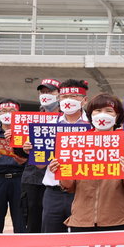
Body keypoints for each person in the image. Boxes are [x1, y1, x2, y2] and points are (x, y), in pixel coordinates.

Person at [49, 94, 124, 232]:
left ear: (117, 116)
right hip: (82, 220)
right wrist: (60, 172)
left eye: (109, 111)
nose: (102, 115)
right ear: (91, 115)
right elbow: (69, 186)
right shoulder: (76, 143)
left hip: (118, 219)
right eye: (98, 111)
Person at [34, 79, 90, 232]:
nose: (69, 100)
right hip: (54, 192)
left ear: (84, 100)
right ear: (59, 99)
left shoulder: (93, 127)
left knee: (83, 239)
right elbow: (39, 164)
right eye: (65, 97)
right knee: (52, 240)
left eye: (74, 96)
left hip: (84, 192)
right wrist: (32, 150)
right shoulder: (48, 127)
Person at [19, 78, 61, 233]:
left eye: (50, 92)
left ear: (59, 95)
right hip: (33, 177)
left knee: (55, 222)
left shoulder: (68, 120)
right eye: (42, 92)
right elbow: (18, 151)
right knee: (32, 220)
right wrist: (24, 148)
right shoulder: (30, 120)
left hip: (58, 178)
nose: (45, 95)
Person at [0, 99, 27, 233]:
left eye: (12, 111)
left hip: (20, 178)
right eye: (4, 111)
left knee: (21, 218)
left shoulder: (26, 134)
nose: (7, 114)